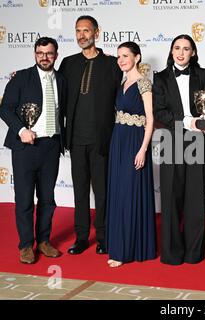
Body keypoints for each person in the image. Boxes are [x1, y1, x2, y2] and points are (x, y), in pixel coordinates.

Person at [59, 15, 123, 255]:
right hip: (75, 139)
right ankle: (82, 237)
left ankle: (104, 237)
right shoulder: (68, 63)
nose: (81, 35)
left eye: (86, 30)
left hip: (101, 139)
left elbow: (124, 97)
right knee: (80, 190)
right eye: (78, 31)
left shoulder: (112, 64)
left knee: (102, 192)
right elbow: (53, 92)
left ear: (97, 32)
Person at [0, 37, 66, 263]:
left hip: (51, 145)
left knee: (48, 198)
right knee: (25, 199)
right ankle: (26, 245)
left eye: (49, 53)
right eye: (40, 53)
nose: (44, 57)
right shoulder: (21, 78)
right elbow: (5, 109)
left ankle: (45, 242)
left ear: (56, 55)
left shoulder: (62, 80)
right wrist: (20, 130)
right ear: (34, 54)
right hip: (25, 147)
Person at [153, 34, 205, 265]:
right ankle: (172, 253)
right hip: (171, 139)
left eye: (186, 48)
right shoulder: (161, 78)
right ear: (171, 51)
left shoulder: (203, 75)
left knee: (195, 198)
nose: (181, 52)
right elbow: (160, 112)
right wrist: (186, 122)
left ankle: (194, 253)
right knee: (170, 198)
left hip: (197, 140)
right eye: (177, 48)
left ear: (193, 53)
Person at [105, 42, 157, 268]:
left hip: (135, 141)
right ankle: (118, 246)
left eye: (125, 56)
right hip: (119, 140)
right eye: (118, 56)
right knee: (118, 193)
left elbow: (150, 118)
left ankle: (128, 250)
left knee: (131, 193)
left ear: (136, 57)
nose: (121, 60)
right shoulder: (122, 81)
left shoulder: (144, 82)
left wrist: (143, 149)